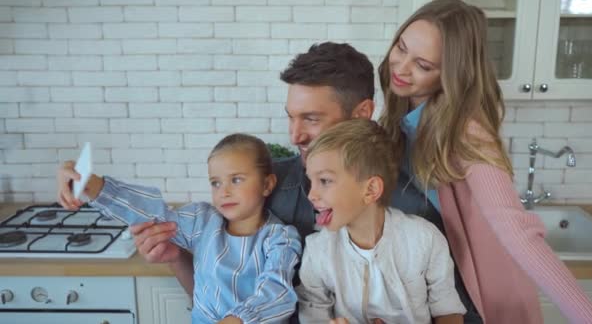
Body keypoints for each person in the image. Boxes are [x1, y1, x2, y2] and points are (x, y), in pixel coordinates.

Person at [91, 42, 483, 322]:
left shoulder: (421, 203)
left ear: (363, 113)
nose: (295, 136)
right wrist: (178, 259)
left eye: (311, 119)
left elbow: (456, 308)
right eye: (290, 118)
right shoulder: (271, 188)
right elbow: (223, 298)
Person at [377, 0, 592, 324]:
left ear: (450, 75)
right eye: (401, 48)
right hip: (429, 288)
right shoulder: (401, 117)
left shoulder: (467, 132)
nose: (400, 67)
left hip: (474, 295)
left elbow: (516, 230)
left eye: (423, 65)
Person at [56, 133, 302, 324]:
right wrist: (93, 185)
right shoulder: (203, 221)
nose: (224, 191)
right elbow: (153, 213)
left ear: (267, 184)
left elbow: (277, 291)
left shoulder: (280, 238)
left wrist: (236, 320)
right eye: (216, 182)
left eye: (236, 179)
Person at [297, 119, 465, 324]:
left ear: (371, 190)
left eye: (324, 181)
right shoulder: (317, 251)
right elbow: (313, 313)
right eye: (310, 181)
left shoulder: (425, 239)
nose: (311, 195)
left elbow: (447, 308)